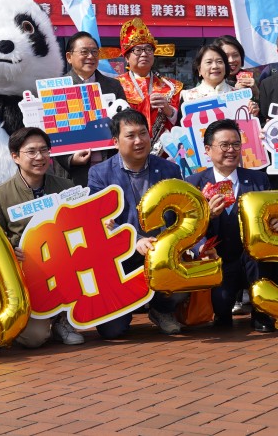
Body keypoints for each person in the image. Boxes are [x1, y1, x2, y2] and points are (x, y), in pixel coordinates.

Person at [87, 109, 185, 338]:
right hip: (120, 258)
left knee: (181, 282)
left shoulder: (169, 170)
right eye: (130, 135)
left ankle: (161, 309)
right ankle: (128, 307)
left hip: (162, 251)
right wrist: (136, 241)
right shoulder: (100, 174)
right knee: (113, 331)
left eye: (143, 133)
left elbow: (180, 215)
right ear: (115, 141)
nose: (139, 141)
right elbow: (101, 222)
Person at [0, 127, 82, 348]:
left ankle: (62, 320)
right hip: (27, 273)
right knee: (34, 339)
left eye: (44, 150)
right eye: (31, 152)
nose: (40, 157)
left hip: (65, 266)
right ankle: (37, 318)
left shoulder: (66, 187)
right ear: (15, 156)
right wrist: (10, 248)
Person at [184, 120, 275, 332]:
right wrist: (208, 216)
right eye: (224, 145)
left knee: (258, 256)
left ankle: (261, 311)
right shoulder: (193, 184)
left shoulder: (258, 180)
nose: (231, 150)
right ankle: (222, 308)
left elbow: (270, 219)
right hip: (218, 259)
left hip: (252, 258)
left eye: (236, 144)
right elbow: (188, 229)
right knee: (222, 308)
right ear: (208, 150)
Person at [57, 31, 126, 186]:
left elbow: (125, 123)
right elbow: (50, 135)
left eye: (94, 52)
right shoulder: (57, 88)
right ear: (69, 57)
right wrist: (70, 159)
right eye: (84, 52)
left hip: (110, 165)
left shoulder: (113, 86)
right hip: (74, 173)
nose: (90, 56)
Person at [110, 18, 182, 142]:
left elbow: (181, 122)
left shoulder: (172, 86)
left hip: (166, 151)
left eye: (148, 49)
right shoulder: (115, 85)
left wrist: (168, 109)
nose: (144, 54)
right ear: (127, 57)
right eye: (138, 50)